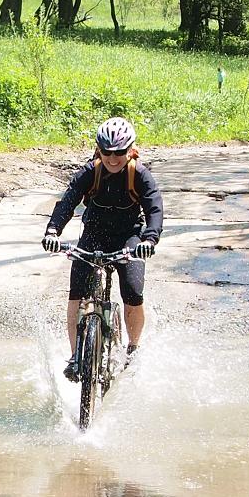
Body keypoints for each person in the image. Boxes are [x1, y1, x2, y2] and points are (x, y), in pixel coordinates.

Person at [41, 117, 164, 380]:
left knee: (132, 291)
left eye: (119, 152)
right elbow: (68, 201)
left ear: (130, 150)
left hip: (128, 238)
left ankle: (133, 349)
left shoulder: (139, 174)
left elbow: (155, 208)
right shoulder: (90, 172)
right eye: (107, 152)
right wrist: (53, 231)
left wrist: (149, 240)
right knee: (76, 294)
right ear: (98, 150)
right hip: (94, 235)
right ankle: (75, 356)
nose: (113, 158)